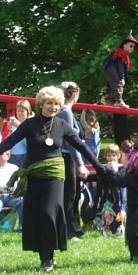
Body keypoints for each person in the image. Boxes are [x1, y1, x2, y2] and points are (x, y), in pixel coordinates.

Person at [0, 86, 105, 272]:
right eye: (50, 103)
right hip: (34, 174)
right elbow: (10, 141)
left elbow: (81, 146)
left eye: (57, 104)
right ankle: (44, 256)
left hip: (55, 175)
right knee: (36, 215)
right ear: (41, 104)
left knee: (49, 213)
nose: (53, 107)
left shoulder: (61, 125)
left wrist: (98, 166)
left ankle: (49, 257)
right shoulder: (30, 124)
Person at [58, 82, 88, 240]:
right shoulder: (66, 113)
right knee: (69, 195)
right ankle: (68, 231)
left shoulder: (65, 112)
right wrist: (80, 164)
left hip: (68, 158)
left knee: (74, 195)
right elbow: (70, 141)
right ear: (75, 94)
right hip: (66, 158)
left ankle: (74, 228)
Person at [94, 143, 126, 236]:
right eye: (109, 155)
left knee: (119, 211)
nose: (111, 158)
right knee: (107, 211)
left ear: (119, 155)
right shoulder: (104, 167)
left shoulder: (121, 167)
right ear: (106, 156)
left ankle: (120, 227)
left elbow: (122, 182)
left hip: (119, 195)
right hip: (107, 195)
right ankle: (106, 228)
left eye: (114, 155)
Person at [103, 32, 138, 108]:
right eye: (131, 46)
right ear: (124, 45)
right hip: (111, 69)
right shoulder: (121, 54)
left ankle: (112, 101)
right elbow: (120, 68)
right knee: (119, 83)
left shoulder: (123, 54)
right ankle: (119, 101)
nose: (132, 48)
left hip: (109, 69)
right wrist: (122, 79)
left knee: (115, 85)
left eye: (133, 47)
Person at [4, 99, 33, 167]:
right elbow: (8, 140)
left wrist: (18, 125)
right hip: (12, 156)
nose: (19, 113)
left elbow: (29, 141)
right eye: (18, 111)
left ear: (27, 112)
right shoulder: (13, 123)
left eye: (22, 111)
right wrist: (10, 130)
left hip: (24, 156)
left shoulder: (30, 123)